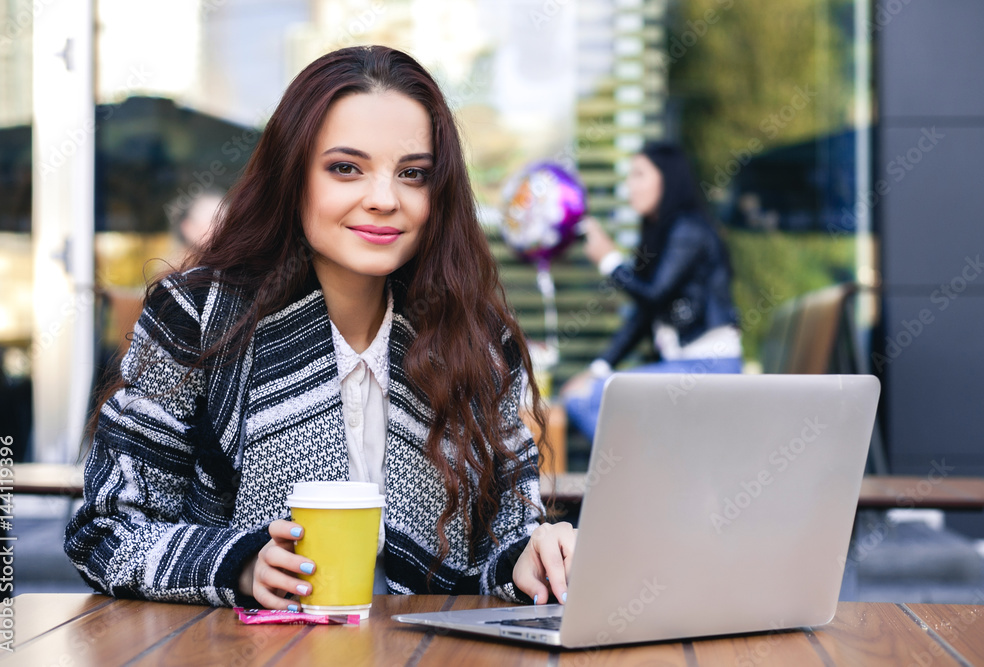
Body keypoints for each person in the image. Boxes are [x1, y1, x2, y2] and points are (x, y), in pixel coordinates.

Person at [65, 45, 575, 611]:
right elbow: (105, 533)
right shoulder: (198, 318)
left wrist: (528, 556)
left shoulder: (474, 336)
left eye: (413, 174)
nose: (384, 200)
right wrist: (238, 564)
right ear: (294, 175)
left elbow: (502, 542)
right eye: (345, 168)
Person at [562, 142, 741, 441]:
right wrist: (599, 368)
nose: (629, 186)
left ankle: (647, 475)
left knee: (583, 399)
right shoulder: (662, 233)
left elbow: (653, 294)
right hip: (680, 367)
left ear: (667, 178)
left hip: (710, 368)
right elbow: (643, 316)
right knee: (580, 395)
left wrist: (609, 258)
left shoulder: (689, 230)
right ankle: (654, 473)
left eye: (639, 175)